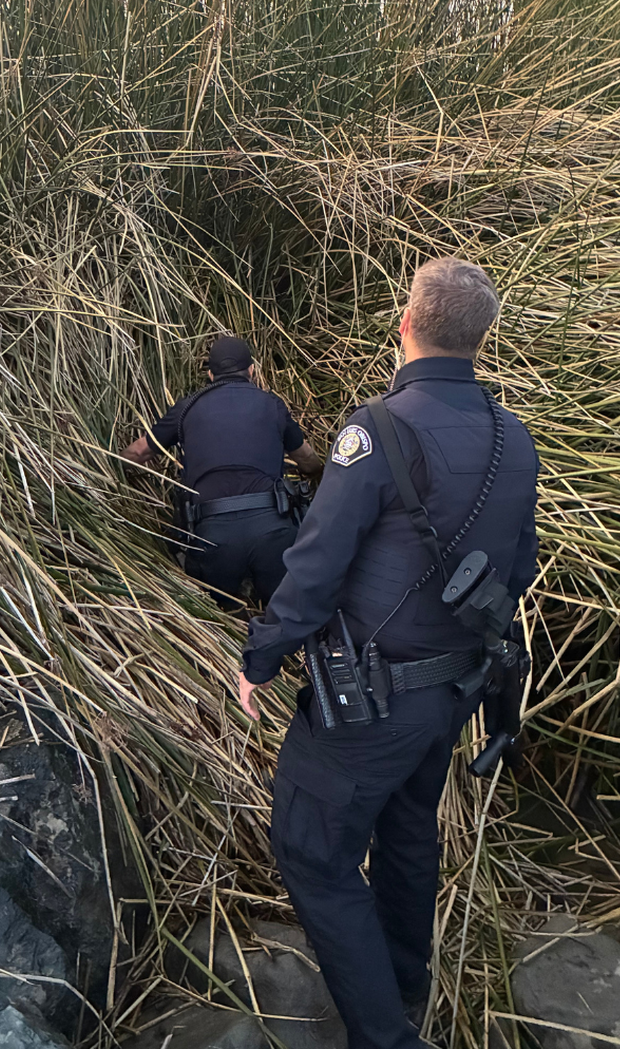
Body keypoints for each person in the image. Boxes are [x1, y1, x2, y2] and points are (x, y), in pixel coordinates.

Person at [237, 258, 539, 1049]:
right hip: (450, 694)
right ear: (481, 338)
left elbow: (316, 560)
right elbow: (518, 570)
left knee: (311, 850)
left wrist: (262, 654)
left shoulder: (374, 430)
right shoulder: (515, 437)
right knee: (408, 831)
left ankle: (389, 1036)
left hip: (369, 704)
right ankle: (407, 983)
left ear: (404, 325)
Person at [122, 335, 323, 606]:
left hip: (213, 537)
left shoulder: (187, 408)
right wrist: (318, 474)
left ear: (210, 374)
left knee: (221, 611)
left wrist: (108, 469)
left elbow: (137, 453)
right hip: (272, 532)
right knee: (282, 612)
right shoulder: (272, 405)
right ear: (251, 370)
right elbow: (307, 458)